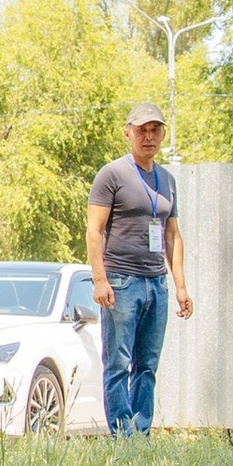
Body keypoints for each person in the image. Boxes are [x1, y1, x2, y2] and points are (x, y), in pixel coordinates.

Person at [87, 102, 191, 437]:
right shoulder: (112, 174)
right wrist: (101, 281)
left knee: (147, 365)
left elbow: (172, 234)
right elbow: (94, 231)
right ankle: (122, 436)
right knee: (118, 363)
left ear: (163, 134)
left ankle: (141, 433)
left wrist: (180, 287)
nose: (149, 137)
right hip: (122, 281)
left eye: (155, 130)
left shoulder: (167, 180)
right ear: (128, 133)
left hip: (156, 284)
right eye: (142, 130)